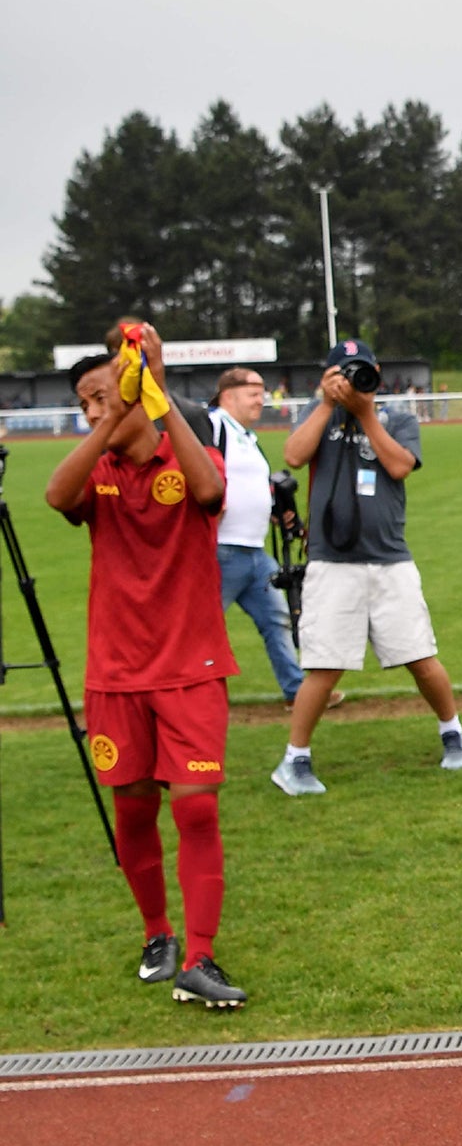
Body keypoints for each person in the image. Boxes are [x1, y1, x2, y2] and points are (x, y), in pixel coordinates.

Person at [44, 326, 248, 1009]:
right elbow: (53, 496)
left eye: (103, 395)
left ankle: (200, 956)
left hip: (191, 666)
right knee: (132, 807)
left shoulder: (179, 452)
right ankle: (156, 934)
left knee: (195, 809)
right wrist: (107, 423)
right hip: (116, 672)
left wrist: (154, 399)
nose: (96, 410)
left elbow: (210, 489)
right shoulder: (95, 468)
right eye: (85, 403)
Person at [271, 339, 462, 794]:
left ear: (377, 372)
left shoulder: (396, 418)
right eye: (341, 371)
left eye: (359, 370)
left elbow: (400, 466)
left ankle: (453, 732)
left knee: (420, 656)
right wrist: (327, 403)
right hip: (331, 560)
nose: (351, 378)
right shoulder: (317, 415)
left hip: (389, 559)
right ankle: (295, 760)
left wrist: (364, 413)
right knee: (323, 665)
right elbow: (294, 456)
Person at [206, 366, 304, 705]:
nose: (261, 399)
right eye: (253, 392)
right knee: (201, 628)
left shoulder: (247, 436)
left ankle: (297, 691)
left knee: (277, 620)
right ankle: (186, 692)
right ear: (228, 395)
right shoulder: (213, 425)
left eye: (262, 392)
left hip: (255, 552)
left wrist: (277, 511)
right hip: (221, 550)